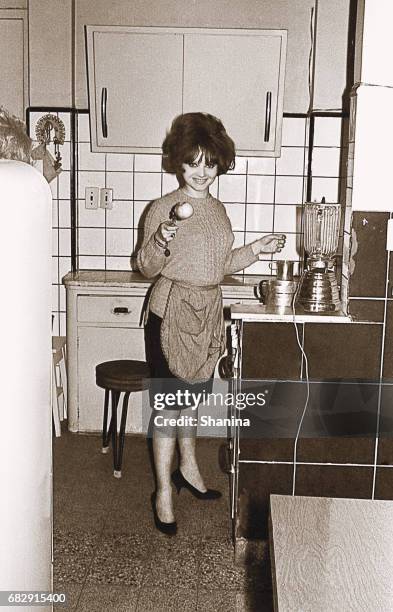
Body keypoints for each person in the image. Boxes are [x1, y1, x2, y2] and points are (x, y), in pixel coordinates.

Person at [137, 112, 285, 535]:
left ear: (220, 163)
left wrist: (257, 248)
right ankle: (163, 491)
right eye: (192, 162)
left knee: (192, 399)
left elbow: (218, 266)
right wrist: (161, 238)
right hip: (170, 310)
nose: (201, 172)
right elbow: (146, 267)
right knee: (168, 407)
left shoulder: (218, 211)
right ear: (178, 163)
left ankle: (189, 468)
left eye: (210, 163)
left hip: (206, 312)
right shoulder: (162, 209)